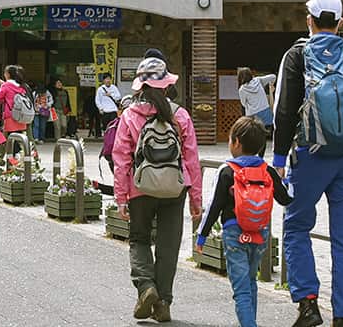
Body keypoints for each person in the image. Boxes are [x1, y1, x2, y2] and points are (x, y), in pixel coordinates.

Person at [272, 0, 343, 327]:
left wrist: (278, 158)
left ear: (309, 20)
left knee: (296, 226)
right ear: (340, 22)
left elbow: (285, 110)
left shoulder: (297, 55)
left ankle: (308, 304)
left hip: (311, 155)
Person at [113, 56, 202, 324]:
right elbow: (191, 160)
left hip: (140, 187)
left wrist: (121, 197)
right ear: (166, 86)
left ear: (140, 87)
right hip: (175, 189)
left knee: (139, 239)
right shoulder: (181, 115)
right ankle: (163, 303)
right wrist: (195, 199)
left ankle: (146, 287)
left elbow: (121, 158)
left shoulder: (129, 115)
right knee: (168, 245)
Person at [195, 116, 293, 327]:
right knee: (250, 281)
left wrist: (201, 235)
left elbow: (214, 206)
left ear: (236, 142)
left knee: (240, 289)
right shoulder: (267, 170)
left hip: (234, 233)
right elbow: (286, 198)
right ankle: (250, 321)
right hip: (260, 233)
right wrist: (289, 178)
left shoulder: (227, 170)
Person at [236, 67, 275, 139]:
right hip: (265, 111)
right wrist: (271, 85)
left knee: (254, 134)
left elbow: (243, 104)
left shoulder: (242, 89)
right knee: (263, 133)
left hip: (252, 114)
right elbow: (273, 76)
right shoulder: (258, 80)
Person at [0, 65, 31, 137]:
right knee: (19, 137)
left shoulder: (5, 86)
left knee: (11, 138)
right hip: (21, 114)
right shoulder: (21, 85)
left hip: (10, 115)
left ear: (8, 74)